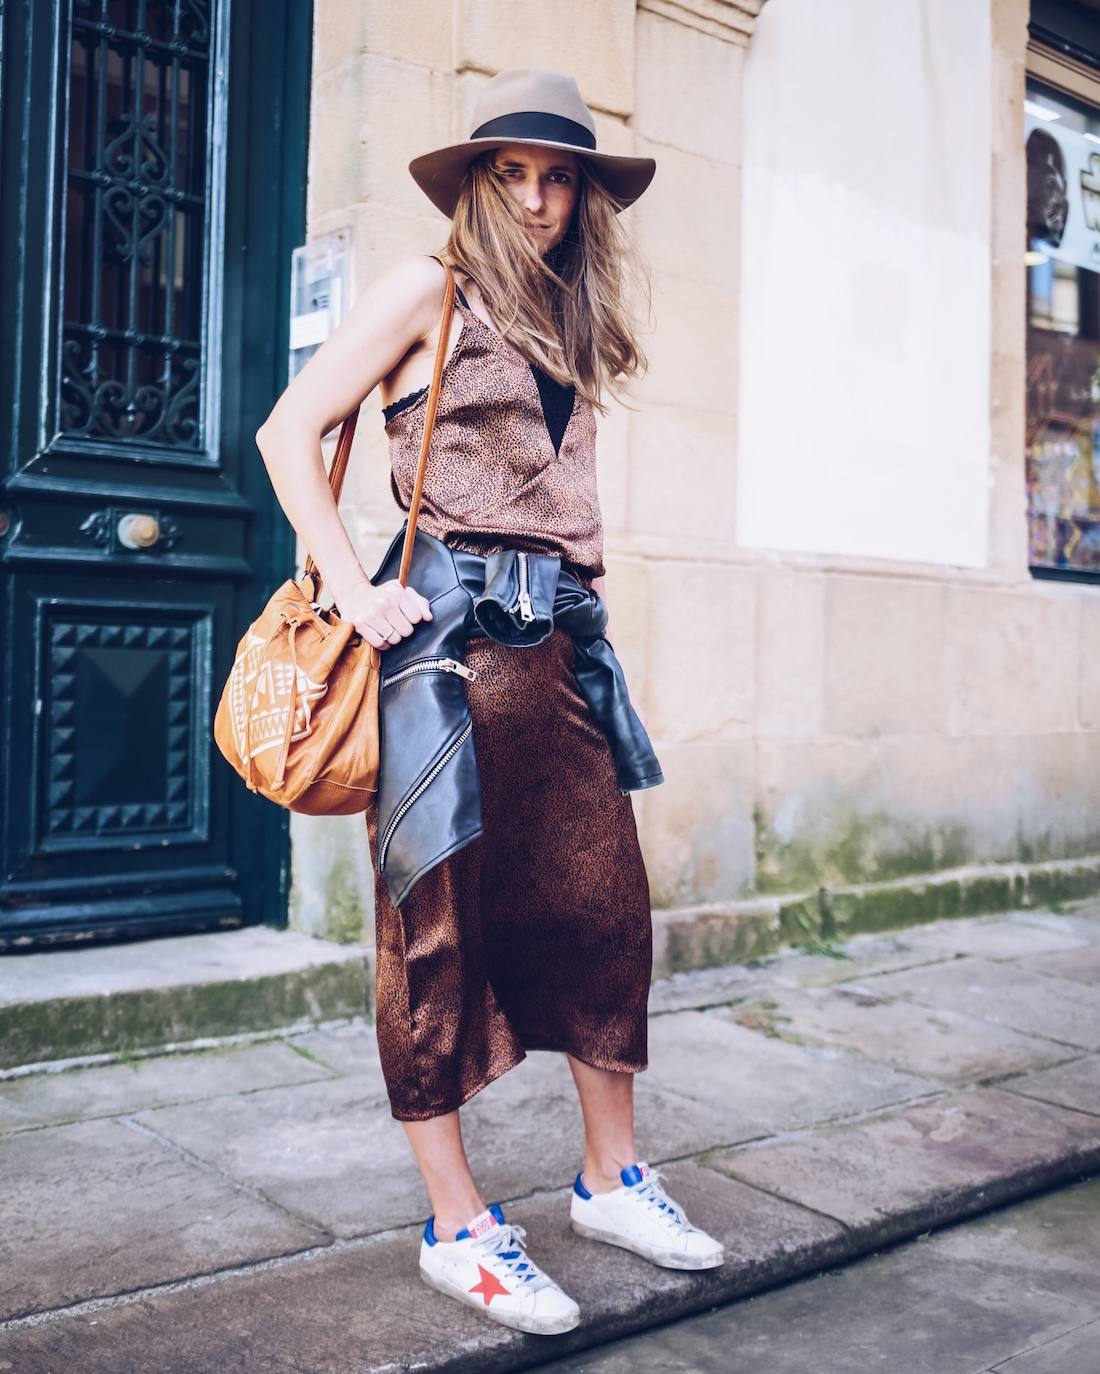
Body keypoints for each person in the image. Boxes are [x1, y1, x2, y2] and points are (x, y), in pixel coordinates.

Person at [255, 67, 723, 1338]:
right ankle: (455, 1225)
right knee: (436, 938)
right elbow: (289, 429)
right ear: (475, 183)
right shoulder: (426, 287)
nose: (533, 197)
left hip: (560, 651)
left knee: (602, 909)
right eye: (509, 173)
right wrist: (350, 586)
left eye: (556, 176)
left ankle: (609, 1179)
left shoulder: (565, 321)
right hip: (446, 658)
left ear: (583, 197)